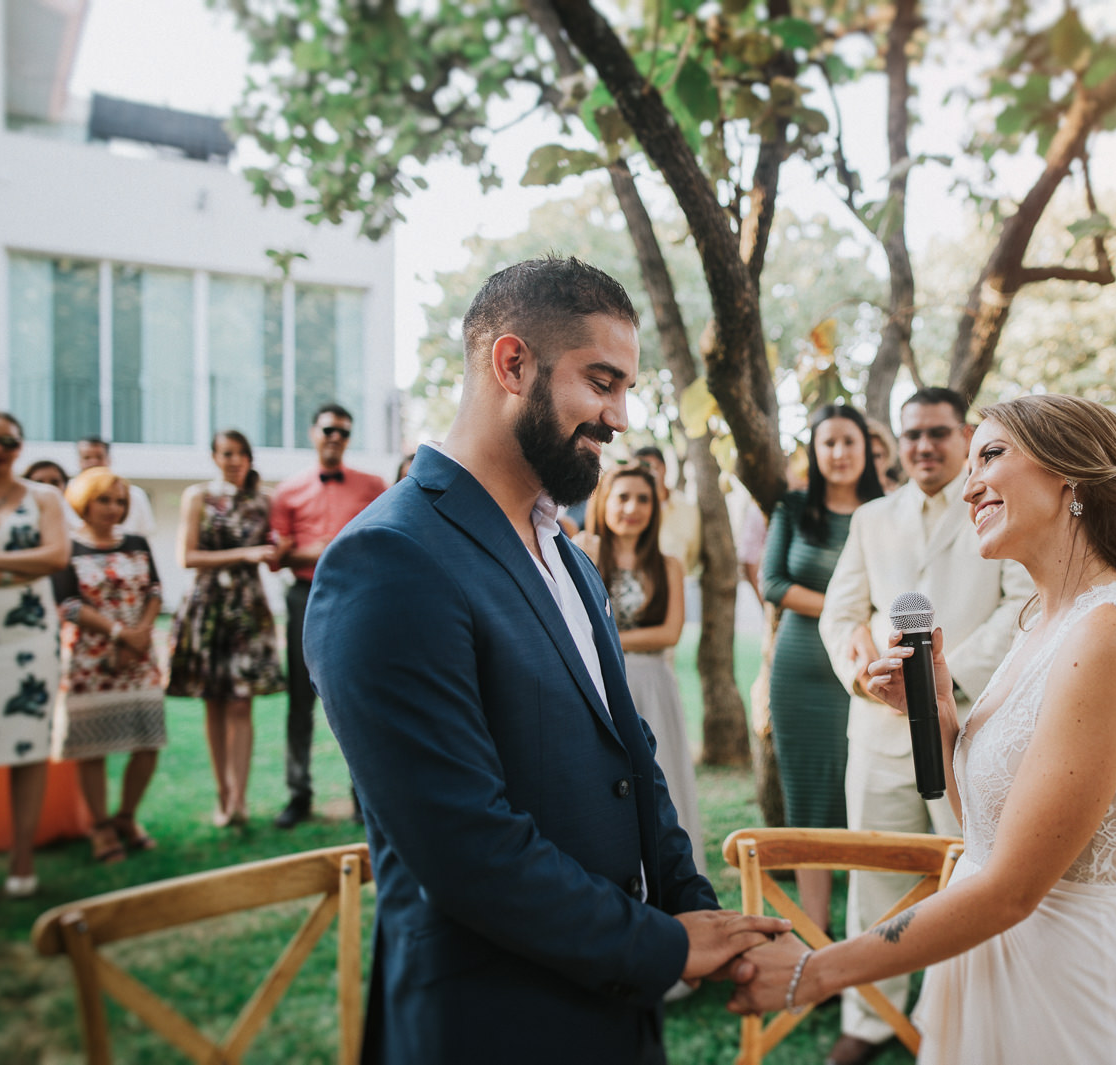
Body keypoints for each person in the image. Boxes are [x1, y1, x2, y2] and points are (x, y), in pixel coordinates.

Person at [303, 256, 787, 1063]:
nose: (621, 416)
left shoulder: (562, 549)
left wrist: (696, 911)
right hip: (490, 1019)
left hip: (613, 1010)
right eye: (602, 382)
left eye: (626, 388)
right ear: (513, 362)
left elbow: (632, 754)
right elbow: (465, 847)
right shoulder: (388, 560)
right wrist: (663, 946)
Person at [733, 395, 1116, 1065]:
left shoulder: (1112, 634)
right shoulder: (1047, 624)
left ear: (1069, 475)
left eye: (989, 455)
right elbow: (986, 835)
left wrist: (812, 970)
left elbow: (1011, 889)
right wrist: (937, 709)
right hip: (986, 970)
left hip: (1056, 999)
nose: (968, 486)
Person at [818, 387, 1035, 1065]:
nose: (923, 446)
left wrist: (940, 683)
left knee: (966, 876)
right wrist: (862, 675)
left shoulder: (999, 506)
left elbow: (1021, 604)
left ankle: (952, 1020)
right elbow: (841, 613)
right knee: (875, 871)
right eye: (911, 434)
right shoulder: (873, 517)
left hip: (974, 722)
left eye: (938, 433)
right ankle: (871, 1017)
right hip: (876, 728)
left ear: (966, 436)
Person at [762, 403, 884, 936]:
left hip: (863, 670)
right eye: (828, 443)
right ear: (814, 452)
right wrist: (844, 607)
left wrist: (855, 616)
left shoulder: (886, 511)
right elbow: (773, 585)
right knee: (810, 795)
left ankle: (868, 929)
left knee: (865, 792)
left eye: (849, 442)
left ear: (867, 450)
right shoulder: (791, 509)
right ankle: (815, 933)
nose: (838, 453)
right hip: (801, 670)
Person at [575, 463, 706, 877]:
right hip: (597, 682)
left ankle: (674, 877)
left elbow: (669, 632)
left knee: (661, 773)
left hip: (653, 683)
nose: (633, 508)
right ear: (604, 501)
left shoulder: (667, 564)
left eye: (644, 499)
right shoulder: (579, 553)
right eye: (623, 497)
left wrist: (607, 636)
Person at [0, 412, 71, 902]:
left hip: (29, 636)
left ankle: (23, 857)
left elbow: (54, 558)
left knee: (28, 746)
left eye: (9, 441)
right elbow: (37, 560)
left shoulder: (43, 497)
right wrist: (16, 571)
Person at [269, 404, 386, 828]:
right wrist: (325, 550)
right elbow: (277, 557)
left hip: (360, 597)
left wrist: (329, 548)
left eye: (344, 431)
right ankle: (298, 794)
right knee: (300, 700)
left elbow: (384, 540)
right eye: (329, 429)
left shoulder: (373, 485)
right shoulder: (286, 492)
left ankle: (364, 795)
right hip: (303, 596)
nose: (335, 437)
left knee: (358, 696)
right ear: (313, 432)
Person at [167, 431, 286, 828]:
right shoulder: (197, 497)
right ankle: (221, 794)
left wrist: (276, 551)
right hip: (207, 605)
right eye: (227, 453)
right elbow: (187, 556)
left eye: (241, 453)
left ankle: (240, 797)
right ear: (215, 457)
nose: (235, 460)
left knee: (241, 701)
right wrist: (244, 554)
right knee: (213, 700)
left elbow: (273, 552)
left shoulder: (266, 499)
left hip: (247, 607)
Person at [51, 467, 167, 863]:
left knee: (148, 742)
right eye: (104, 500)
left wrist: (139, 635)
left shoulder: (136, 542)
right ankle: (100, 827)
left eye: (120, 501)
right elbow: (68, 605)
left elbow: (154, 589)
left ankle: (127, 817)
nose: (113, 508)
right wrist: (118, 634)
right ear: (84, 502)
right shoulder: (68, 548)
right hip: (91, 660)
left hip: (140, 655)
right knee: (93, 747)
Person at [635, 445, 703, 579]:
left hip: (681, 581)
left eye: (654, 468)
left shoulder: (686, 507)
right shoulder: (632, 511)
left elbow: (693, 552)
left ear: (664, 469)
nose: (650, 474)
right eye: (643, 469)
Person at [74, 437, 156, 539]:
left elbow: (145, 534)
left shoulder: (135, 495)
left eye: (99, 457)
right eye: (87, 457)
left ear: (109, 460)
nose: (93, 462)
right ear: (79, 461)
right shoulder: (65, 494)